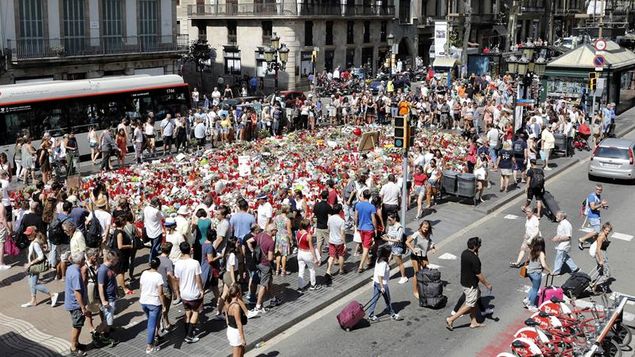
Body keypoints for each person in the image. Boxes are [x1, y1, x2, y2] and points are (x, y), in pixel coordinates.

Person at [446, 237, 492, 331]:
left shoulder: (464, 253)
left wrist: (476, 253)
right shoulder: (475, 259)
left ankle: (473, 322)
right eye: (479, 245)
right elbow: (478, 274)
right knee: (469, 304)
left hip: (464, 282)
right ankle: (451, 319)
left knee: (475, 300)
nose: (480, 246)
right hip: (471, 285)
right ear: (475, 246)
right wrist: (487, 284)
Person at [174, 242, 203, 343]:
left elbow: (177, 279)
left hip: (184, 293)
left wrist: (178, 292)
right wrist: (201, 290)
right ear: (190, 249)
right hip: (194, 293)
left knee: (187, 313)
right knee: (195, 312)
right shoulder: (195, 263)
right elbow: (198, 279)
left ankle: (187, 332)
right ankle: (189, 335)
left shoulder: (177, 264)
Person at [22, 227, 58, 308]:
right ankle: (33, 300)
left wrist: (30, 263)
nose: (27, 236)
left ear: (33, 234)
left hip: (34, 266)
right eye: (27, 234)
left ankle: (52, 295)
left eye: (29, 234)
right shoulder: (34, 242)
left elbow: (41, 256)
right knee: (30, 283)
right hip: (31, 266)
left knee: (34, 285)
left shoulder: (35, 243)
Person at [246, 223, 276, 316]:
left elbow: (248, 241)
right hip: (265, 265)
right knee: (263, 285)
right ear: (272, 231)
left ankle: (273, 298)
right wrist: (275, 256)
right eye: (276, 230)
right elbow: (270, 258)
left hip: (257, 262)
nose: (276, 231)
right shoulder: (271, 242)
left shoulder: (260, 235)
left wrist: (252, 251)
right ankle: (258, 305)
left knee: (267, 281)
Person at [367, 246, 402, 322]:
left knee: (374, 299)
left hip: (376, 282)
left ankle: (370, 314)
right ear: (386, 254)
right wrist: (382, 287)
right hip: (382, 284)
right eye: (389, 253)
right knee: (387, 300)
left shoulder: (379, 259)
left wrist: (391, 255)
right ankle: (392, 314)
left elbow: (386, 263)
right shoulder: (383, 264)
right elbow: (380, 276)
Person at [64, 251, 89, 357]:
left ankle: (77, 343)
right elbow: (77, 292)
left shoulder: (71, 268)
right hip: (75, 305)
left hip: (71, 302)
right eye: (84, 259)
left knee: (77, 324)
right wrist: (82, 307)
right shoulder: (75, 273)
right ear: (80, 261)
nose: (85, 260)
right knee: (77, 325)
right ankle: (73, 347)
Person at [139, 257, 165, 354]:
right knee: (151, 325)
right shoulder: (158, 276)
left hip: (144, 302)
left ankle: (155, 336)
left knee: (151, 320)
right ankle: (149, 346)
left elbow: (141, 287)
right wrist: (164, 305)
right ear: (158, 266)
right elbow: (160, 293)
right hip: (154, 303)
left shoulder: (144, 273)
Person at [406, 220, 436, 299]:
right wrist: (413, 249)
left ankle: (424, 287)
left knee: (427, 270)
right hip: (416, 256)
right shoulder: (417, 233)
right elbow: (407, 242)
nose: (425, 229)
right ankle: (415, 291)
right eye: (424, 227)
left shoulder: (428, 234)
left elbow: (429, 241)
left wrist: (433, 247)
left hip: (424, 255)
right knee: (417, 273)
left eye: (427, 228)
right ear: (421, 226)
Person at [524, 238, 552, 312]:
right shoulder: (541, 253)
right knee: (535, 289)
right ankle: (531, 305)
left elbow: (528, 259)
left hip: (529, 271)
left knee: (533, 287)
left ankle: (527, 300)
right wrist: (550, 271)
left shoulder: (532, 250)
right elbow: (543, 265)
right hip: (536, 273)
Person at [578, 184, 608, 249]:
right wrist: (601, 204)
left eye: (600, 190)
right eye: (597, 189)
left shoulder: (598, 195)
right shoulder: (592, 196)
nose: (598, 191)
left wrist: (603, 206)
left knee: (596, 231)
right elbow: (593, 207)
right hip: (593, 216)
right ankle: (582, 239)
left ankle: (590, 241)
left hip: (596, 216)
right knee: (597, 231)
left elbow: (597, 206)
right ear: (595, 189)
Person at [98, 249, 119, 340]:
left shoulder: (110, 268)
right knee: (107, 320)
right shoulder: (103, 269)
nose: (117, 261)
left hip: (112, 297)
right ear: (112, 260)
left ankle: (107, 334)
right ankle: (97, 334)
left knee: (108, 319)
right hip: (108, 299)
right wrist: (103, 300)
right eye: (116, 260)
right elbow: (100, 286)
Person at [354, 189, 376, 273]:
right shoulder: (371, 207)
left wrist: (357, 226)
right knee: (366, 247)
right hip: (369, 228)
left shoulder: (358, 205)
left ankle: (368, 261)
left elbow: (356, 217)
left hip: (361, 228)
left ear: (363, 195)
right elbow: (373, 219)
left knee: (364, 246)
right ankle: (361, 266)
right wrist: (375, 228)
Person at [382, 213, 408, 284]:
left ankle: (403, 277)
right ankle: (383, 276)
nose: (388, 221)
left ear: (395, 219)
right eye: (388, 219)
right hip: (390, 246)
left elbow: (398, 239)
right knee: (386, 262)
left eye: (390, 220)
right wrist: (386, 236)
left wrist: (387, 239)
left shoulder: (399, 227)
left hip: (397, 247)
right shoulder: (391, 225)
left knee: (399, 263)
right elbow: (390, 234)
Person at [224, 284, 249, 357]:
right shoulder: (236, 306)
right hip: (235, 332)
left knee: (242, 352)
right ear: (238, 294)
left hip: (231, 329)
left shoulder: (228, 302)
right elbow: (238, 323)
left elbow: (227, 318)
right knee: (237, 355)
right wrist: (242, 338)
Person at [551, 211, 578, 275]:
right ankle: (575, 268)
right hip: (561, 244)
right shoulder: (561, 223)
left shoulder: (566, 224)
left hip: (564, 245)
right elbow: (560, 234)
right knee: (565, 257)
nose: (556, 217)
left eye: (557, 216)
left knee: (559, 258)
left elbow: (568, 236)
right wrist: (555, 238)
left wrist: (558, 239)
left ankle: (556, 271)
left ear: (562, 217)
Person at [296, 219, 319, 292]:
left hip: (300, 252)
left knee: (301, 270)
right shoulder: (308, 236)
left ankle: (300, 287)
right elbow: (311, 248)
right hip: (307, 253)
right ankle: (313, 285)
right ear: (308, 226)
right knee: (311, 269)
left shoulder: (298, 232)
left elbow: (297, 243)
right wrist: (315, 258)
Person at [157, 242, 177, 327]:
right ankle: (161, 325)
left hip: (157, 288)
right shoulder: (168, 262)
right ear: (170, 250)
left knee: (160, 308)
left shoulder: (156, 259)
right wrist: (175, 291)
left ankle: (167, 323)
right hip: (165, 288)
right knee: (165, 309)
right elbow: (170, 277)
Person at [326, 203, 346, 277]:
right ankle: (341, 270)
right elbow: (342, 233)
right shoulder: (341, 221)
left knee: (331, 256)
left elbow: (328, 229)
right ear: (340, 211)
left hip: (332, 240)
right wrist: (345, 243)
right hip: (339, 241)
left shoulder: (330, 218)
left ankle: (328, 271)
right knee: (341, 255)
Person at [312, 190, 332, 262]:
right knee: (329, 243)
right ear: (327, 196)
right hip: (326, 227)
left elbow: (313, 215)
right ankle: (332, 257)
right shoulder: (328, 206)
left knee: (319, 244)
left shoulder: (316, 205)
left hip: (318, 226)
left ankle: (319, 259)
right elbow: (330, 217)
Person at [144, 197, 164, 263]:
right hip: (156, 231)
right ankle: (151, 261)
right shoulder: (156, 211)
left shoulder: (146, 208)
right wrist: (160, 208)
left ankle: (152, 258)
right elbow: (162, 217)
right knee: (155, 248)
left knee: (153, 246)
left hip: (149, 230)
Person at [273, 206, 292, 276]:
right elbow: (289, 231)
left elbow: (274, 227)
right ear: (287, 211)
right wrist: (291, 240)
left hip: (277, 236)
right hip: (284, 237)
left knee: (278, 254)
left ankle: (277, 270)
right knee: (284, 254)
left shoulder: (276, 217)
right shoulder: (287, 220)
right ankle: (283, 270)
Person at [593, 222, 613, 290]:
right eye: (606, 230)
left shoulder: (604, 235)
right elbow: (598, 249)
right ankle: (595, 284)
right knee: (607, 274)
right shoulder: (601, 237)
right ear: (603, 229)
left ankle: (596, 286)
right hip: (601, 254)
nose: (607, 232)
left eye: (609, 230)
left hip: (603, 253)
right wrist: (601, 260)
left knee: (600, 271)